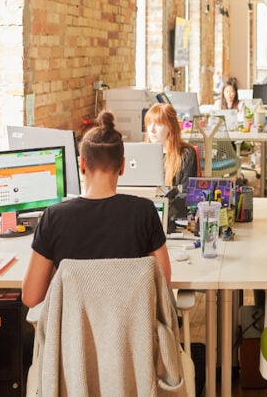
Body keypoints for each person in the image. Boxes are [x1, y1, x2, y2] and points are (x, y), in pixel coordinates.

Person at [21, 111, 171, 308]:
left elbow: (31, 297)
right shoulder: (144, 211)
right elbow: (164, 284)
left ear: (82, 164)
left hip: (73, 335)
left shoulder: (54, 217)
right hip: (129, 334)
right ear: (123, 166)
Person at [144, 102, 198, 188]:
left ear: (171, 127)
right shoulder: (143, 153)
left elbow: (185, 193)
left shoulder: (186, 154)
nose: (152, 130)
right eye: (149, 124)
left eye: (158, 124)